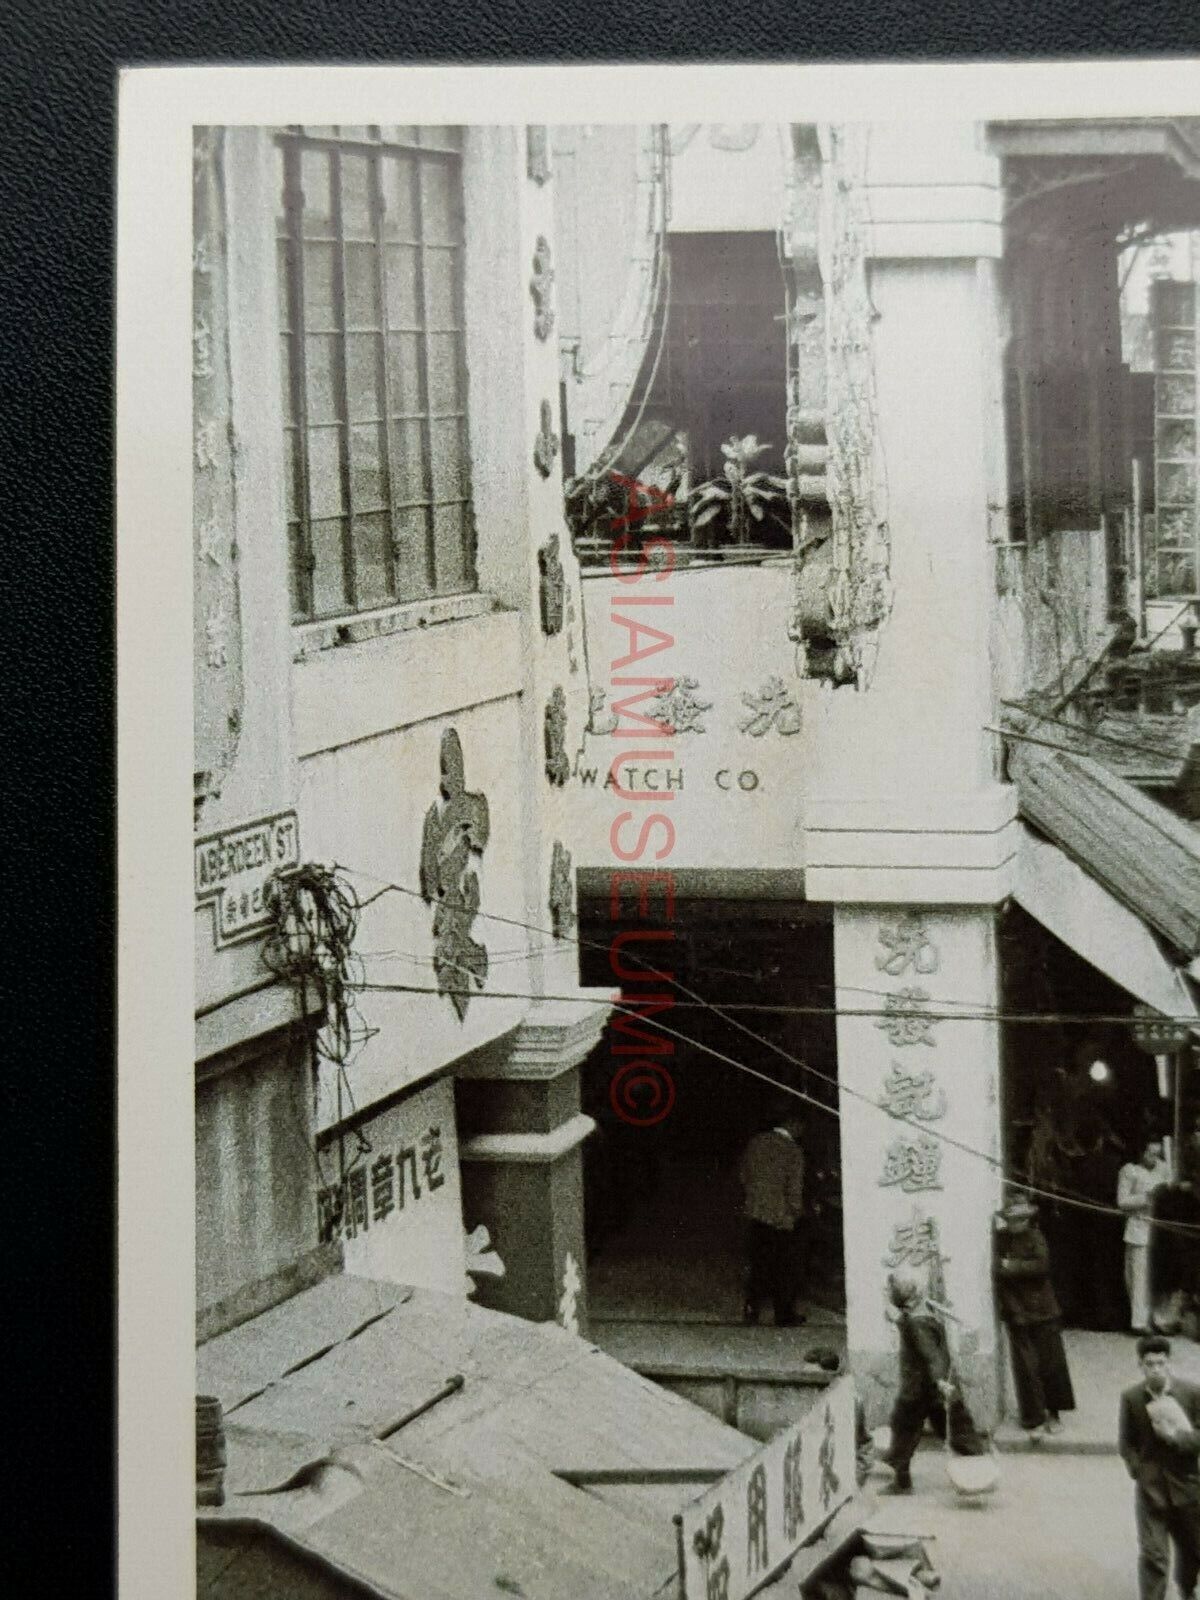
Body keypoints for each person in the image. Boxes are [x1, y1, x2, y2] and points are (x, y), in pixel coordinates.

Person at [879, 1269, 989, 1495]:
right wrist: (898, 1318)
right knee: (956, 1428)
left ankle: (902, 1480)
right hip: (932, 1387)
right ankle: (979, 1466)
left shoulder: (917, 1323)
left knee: (904, 1429)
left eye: (891, 1291)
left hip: (920, 1387)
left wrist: (941, 1381)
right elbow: (910, 1327)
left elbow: (931, 1355)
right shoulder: (920, 1315)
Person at [1120, 1334, 1200, 1600]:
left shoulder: (1190, 1394)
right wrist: (1138, 1470)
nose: (1155, 1369)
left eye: (1160, 1363)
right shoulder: (1132, 1398)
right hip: (1151, 1489)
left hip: (1186, 1486)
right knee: (1154, 1554)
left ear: (1169, 1364)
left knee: (1191, 1548)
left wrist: (1176, 1438)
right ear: (1140, 1365)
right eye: (1149, 1364)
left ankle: (1187, 1588)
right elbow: (1126, 1442)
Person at [994, 1193, 1076, 1440]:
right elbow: (997, 1268)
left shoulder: (1036, 1237)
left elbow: (1041, 1266)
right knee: (1025, 1367)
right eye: (1012, 1219)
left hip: (1044, 1310)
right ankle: (1033, 1418)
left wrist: (1012, 1266)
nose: (1017, 1223)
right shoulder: (1000, 1240)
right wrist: (1010, 1267)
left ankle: (1054, 1413)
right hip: (1016, 1311)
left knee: (1051, 1363)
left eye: (1021, 1219)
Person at [739, 1113, 806, 1326]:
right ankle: (784, 1313)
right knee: (784, 1268)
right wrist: (796, 1212)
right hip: (781, 1217)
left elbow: (744, 1174)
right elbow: (794, 1187)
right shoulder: (793, 1151)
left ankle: (752, 1308)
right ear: (793, 1124)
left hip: (756, 1212)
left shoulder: (756, 1143)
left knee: (758, 1263)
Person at [1119, 1139, 1171, 1334]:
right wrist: (1147, 1198)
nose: (1153, 1158)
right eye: (1150, 1153)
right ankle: (1139, 1322)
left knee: (1159, 1276)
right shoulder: (1129, 1170)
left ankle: (1159, 1318)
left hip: (1161, 1230)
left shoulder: (1164, 1169)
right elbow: (1122, 1201)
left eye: (1157, 1154)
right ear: (1141, 1152)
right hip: (1138, 1228)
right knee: (1138, 1278)